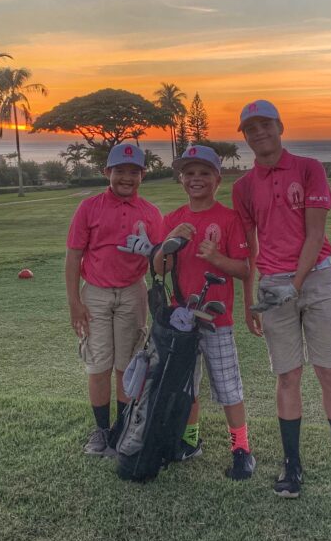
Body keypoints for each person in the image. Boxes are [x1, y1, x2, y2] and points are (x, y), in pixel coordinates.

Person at [232, 100, 331, 500]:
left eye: (265, 125)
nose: (259, 133)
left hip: (318, 279)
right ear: (244, 136)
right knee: (287, 375)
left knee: (329, 372)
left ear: (280, 126)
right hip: (272, 286)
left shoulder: (309, 169)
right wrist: (248, 299)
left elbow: (314, 234)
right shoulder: (242, 187)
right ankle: (293, 466)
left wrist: (298, 281)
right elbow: (250, 248)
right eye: (250, 128)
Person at [150, 145, 256, 480]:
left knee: (227, 386)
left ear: (217, 179)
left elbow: (244, 268)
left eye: (204, 173)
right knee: (186, 385)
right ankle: (190, 440)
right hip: (180, 320)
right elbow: (157, 268)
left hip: (217, 320)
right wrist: (168, 242)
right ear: (181, 179)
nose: (197, 179)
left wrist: (217, 260)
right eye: (190, 173)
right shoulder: (173, 219)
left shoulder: (228, 219)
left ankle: (241, 449)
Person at [65, 143, 163, 457]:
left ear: (142, 175)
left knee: (126, 366)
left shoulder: (150, 213)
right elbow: (73, 256)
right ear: (107, 172)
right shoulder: (89, 208)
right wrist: (74, 303)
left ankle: (121, 429)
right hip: (94, 293)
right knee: (98, 365)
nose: (126, 178)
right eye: (120, 171)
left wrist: (152, 251)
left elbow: (163, 263)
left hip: (133, 292)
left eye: (134, 172)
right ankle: (101, 430)